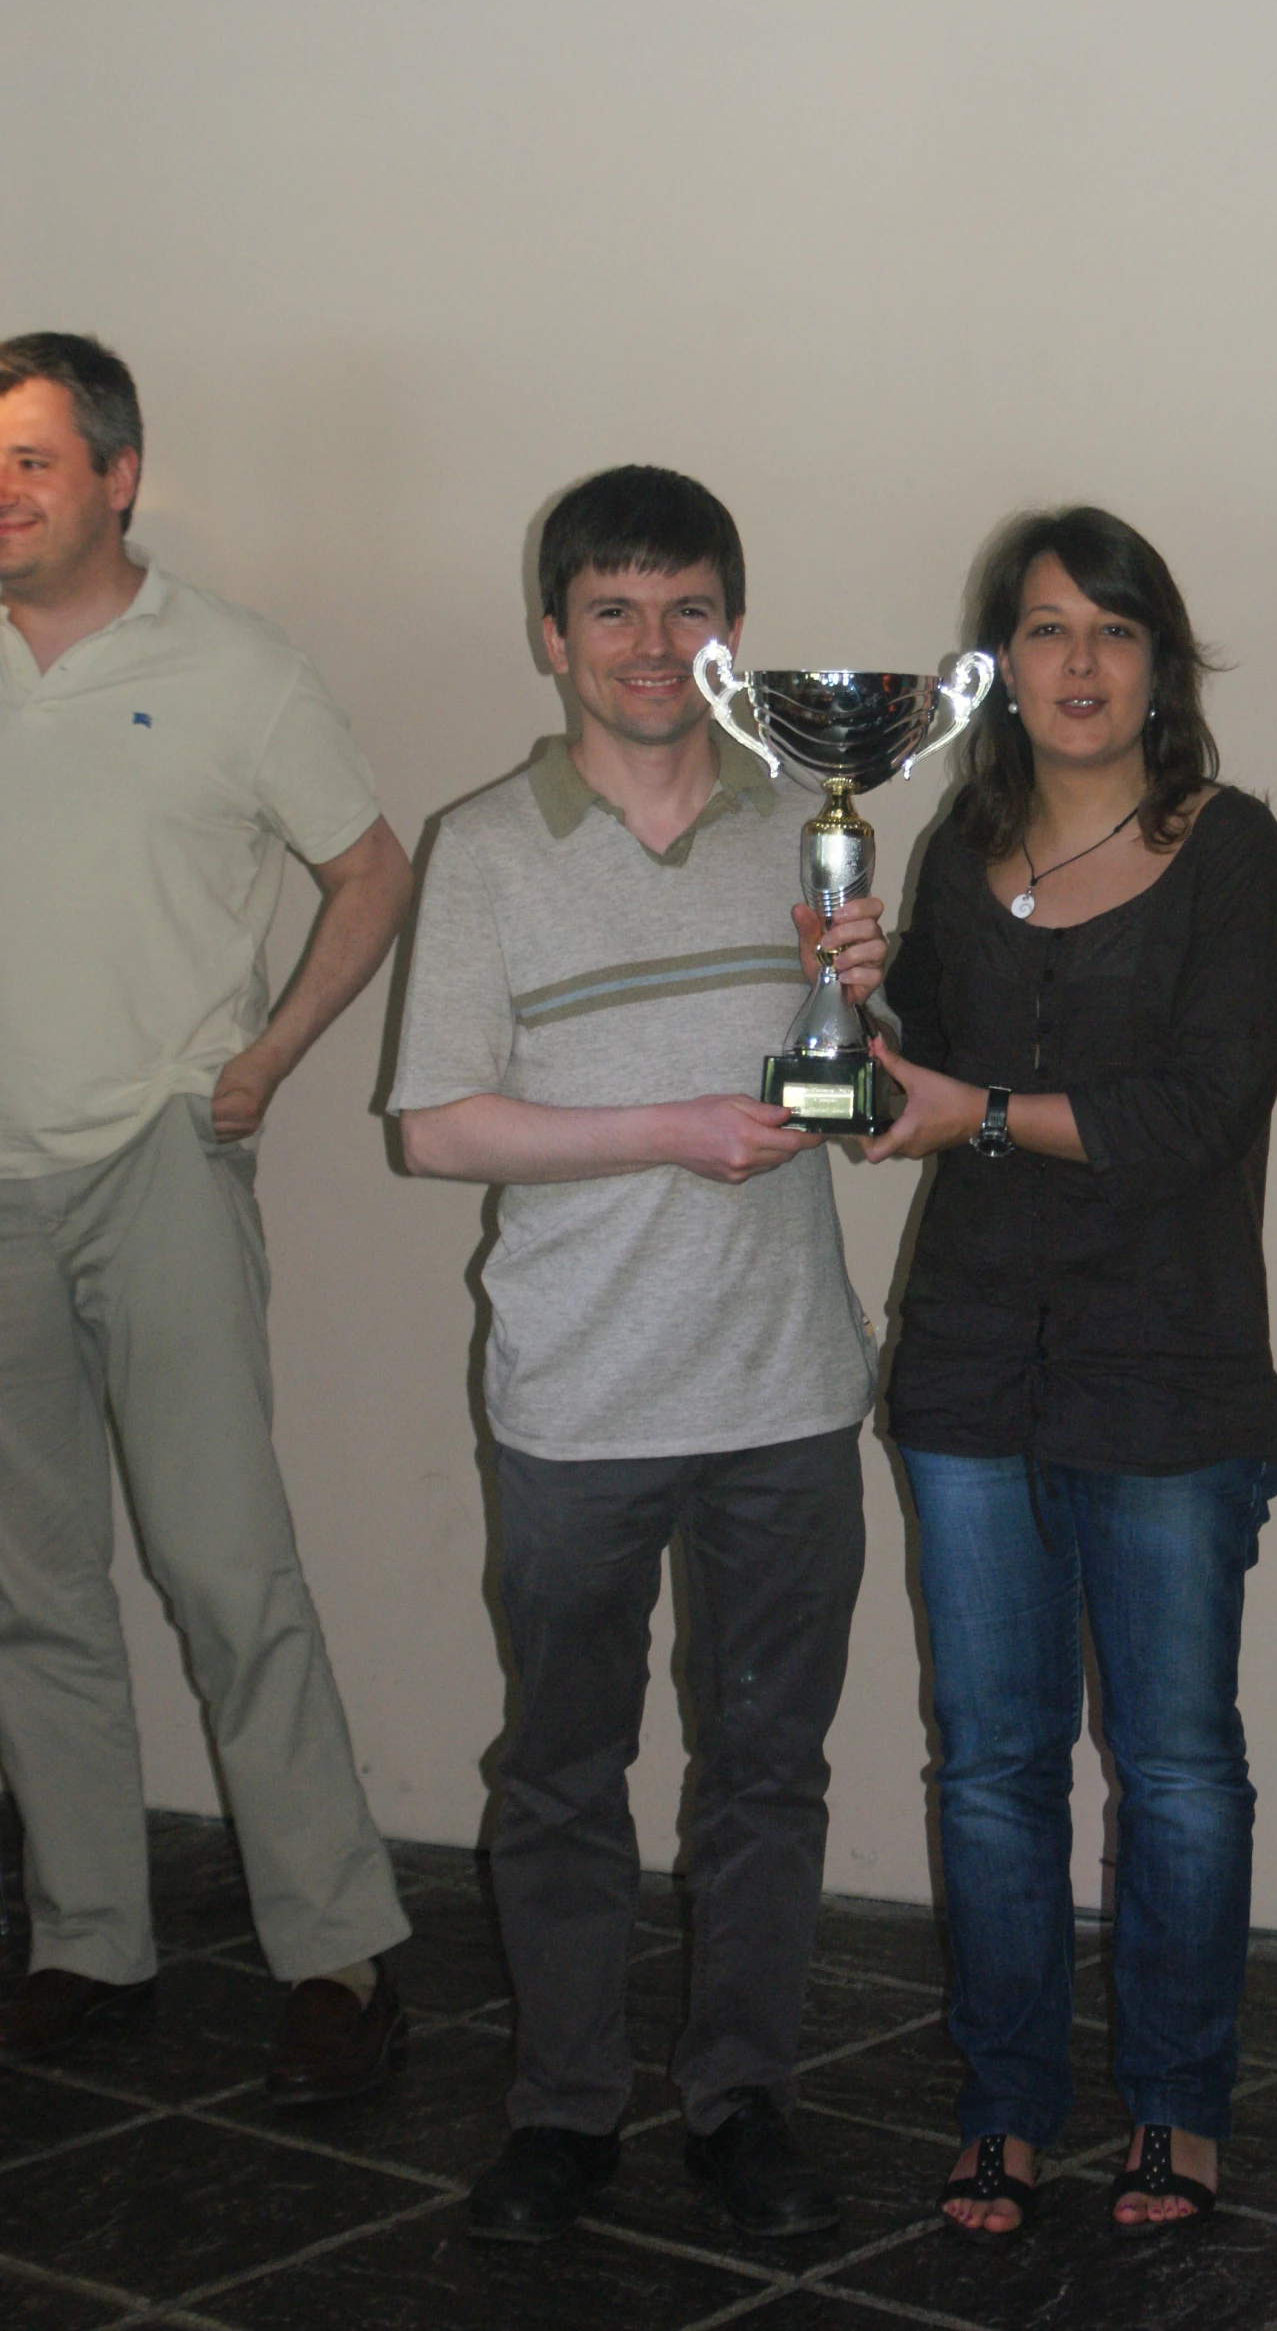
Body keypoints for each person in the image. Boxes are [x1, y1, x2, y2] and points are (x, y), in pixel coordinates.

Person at [390, 466, 884, 2244]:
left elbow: (862, 1098)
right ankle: (566, 2112)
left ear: (729, 632)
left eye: (686, 609)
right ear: (553, 637)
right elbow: (435, 1129)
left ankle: (742, 2103)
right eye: (613, 611)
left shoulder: (805, 827)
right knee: (561, 1772)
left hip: (784, 1392)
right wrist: (667, 1126)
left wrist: (862, 999)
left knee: (766, 1772)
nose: (652, 646)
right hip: (577, 1401)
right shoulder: (482, 848)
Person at [866, 506, 1277, 2240]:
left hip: (1167, 1380)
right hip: (968, 1372)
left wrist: (973, 1114)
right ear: (1001, 666)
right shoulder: (952, 847)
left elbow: (1201, 1114)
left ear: (1159, 664)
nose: (1079, 663)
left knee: (1178, 1765)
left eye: (1114, 631)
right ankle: (1003, 2109)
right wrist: (848, 1017)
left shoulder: (1231, 849)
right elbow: (891, 1082)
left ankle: (1179, 2110)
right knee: (988, 1766)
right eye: (1045, 629)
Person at [0, 333, 416, 2101]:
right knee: (32, 1591)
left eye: (29, 456)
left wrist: (266, 1058)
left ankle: (339, 1949)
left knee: (224, 1571)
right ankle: (90, 1936)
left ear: (118, 474)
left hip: (160, 1160)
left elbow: (370, 867)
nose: (2, 489)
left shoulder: (236, 670)